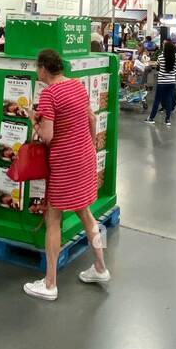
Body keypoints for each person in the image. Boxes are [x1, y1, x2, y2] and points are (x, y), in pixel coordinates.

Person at [24, 48, 107, 300]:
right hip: (84, 156)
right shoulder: (77, 86)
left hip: (64, 162)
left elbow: (47, 136)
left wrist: (32, 119)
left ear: (42, 69)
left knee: (53, 218)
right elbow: (91, 119)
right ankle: (100, 268)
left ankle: (49, 284)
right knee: (85, 212)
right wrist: (88, 146)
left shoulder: (49, 94)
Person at [147, 40, 176, 126]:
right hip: (172, 82)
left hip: (162, 82)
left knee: (157, 100)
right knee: (168, 100)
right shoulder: (175, 57)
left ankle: (151, 118)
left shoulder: (161, 57)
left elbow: (157, 67)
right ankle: (167, 120)